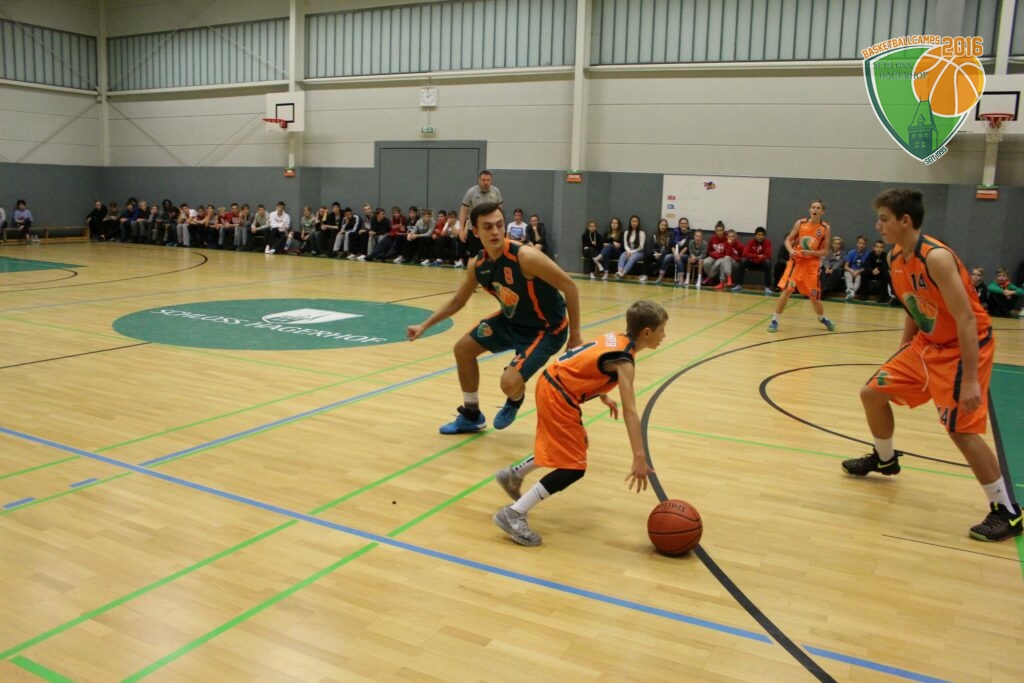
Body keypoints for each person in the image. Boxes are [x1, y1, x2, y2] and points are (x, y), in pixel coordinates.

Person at [842, 188, 1021, 542]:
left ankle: (1008, 511)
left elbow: (966, 319)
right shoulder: (895, 256)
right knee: (871, 393)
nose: (878, 225)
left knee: (960, 430)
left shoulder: (936, 258)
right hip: (927, 344)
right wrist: (904, 348)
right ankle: (885, 459)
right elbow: (913, 304)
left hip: (962, 347)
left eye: (884, 219)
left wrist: (971, 380)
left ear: (905, 220)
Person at [491, 300, 668, 546]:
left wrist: (601, 393)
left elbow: (585, 362)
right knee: (573, 468)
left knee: (575, 446)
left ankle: (514, 474)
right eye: (662, 330)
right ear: (647, 332)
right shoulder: (624, 360)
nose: (664, 335)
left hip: (553, 384)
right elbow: (630, 411)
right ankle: (514, 513)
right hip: (558, 394)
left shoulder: (617, 339)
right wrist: (639, 455)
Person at [407, 202, 582, 434]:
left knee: (508, 383)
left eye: (499, 225)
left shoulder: (526, 257)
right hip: (511, 322)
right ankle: (471, 415)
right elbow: (458, 301)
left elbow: (570, 287)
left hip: (546, 330)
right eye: (488, 227)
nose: (496, 231)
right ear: (476, 231)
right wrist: (424, 325)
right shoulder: (477, 264)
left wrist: (576, 335)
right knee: (462, 349)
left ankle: (515, 398)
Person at [767, 199, 835, 332]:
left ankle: (822, 318)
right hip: (797, 263)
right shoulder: (800, 223)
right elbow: (788, 240)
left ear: (822, 212)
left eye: (818, 208)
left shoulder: (825, 228)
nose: (815, 209)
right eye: (813, 207)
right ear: (809, 209)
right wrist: (791, 250)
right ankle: (775, 320)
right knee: (787, 290)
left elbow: (826, 251)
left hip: (811, 266)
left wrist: (812, 252)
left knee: (814, 297)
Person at [458, 170, 502, 267]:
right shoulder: (471, 192)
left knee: (492, 254)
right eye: (483, 180)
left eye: (488, 180)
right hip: (475, 230)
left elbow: (500, 211)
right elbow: (463, 212)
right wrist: (461, 229)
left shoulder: (496, 191)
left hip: (490, 229)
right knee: (474, 256)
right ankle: (472, 274)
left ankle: (490, 274)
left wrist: (501, 228)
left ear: (491, 180)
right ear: (479, 180)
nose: (486, 182)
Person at [731, 226, 773, 293]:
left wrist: (757, 258)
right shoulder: (751, 242)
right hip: (752, 263)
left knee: (768, 262)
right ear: (755, 235)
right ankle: (739, 285)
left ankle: (767, 287)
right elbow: (745, 253)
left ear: (764, 236)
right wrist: (756, 256)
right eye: (758, 234)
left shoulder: (768, 242)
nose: (760, 236)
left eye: (762, 235)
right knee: (743, 261)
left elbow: (768, 255)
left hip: (761, 264)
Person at [843, 235, 869, 300]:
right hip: (850, 270)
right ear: (857, 243)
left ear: (865, 245)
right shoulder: (851, 252)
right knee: (847, 274)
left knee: (859, 278)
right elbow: (845, 266)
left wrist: (858, 272)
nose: (861, 245)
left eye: (863, 243)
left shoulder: (867, 254)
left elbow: (866, 267)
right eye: (860, 243)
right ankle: (851, 290)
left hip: (860, 271)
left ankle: (851, 292)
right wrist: (851, 271)